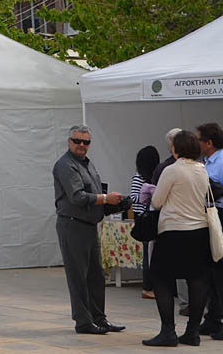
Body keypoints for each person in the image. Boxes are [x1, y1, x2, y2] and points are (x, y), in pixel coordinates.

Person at [53, 124, 129, 336]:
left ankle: (99, 318)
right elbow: (77, 197)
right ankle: (83, 322)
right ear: (69, 142)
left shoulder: (87, 164)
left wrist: (113, 204)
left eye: (86, 142)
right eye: (77, 141)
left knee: (96, 275)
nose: (81, 145)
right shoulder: (66, 165)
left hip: (89, 225)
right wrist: (105, 198)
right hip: (72, 225)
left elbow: (94, 193)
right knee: (78, 277)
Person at [144, 129, 213, 346]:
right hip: (200, 232)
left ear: (176, 148)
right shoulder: (202, 170)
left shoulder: (172, 171)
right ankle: (192, 332)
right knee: (197, 280)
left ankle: (168, 331)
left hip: (173, 231)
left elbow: (157, 202)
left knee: (162, 278)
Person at [197, 122, 223, 339]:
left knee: (220, 269)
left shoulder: (222, 160)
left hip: (220, 216)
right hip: (208, 215)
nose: (198, 144)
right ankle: (212, 317)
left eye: (200, 140)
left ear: (209, 142)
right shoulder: (205, 162)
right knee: (211, 271)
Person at [131, 144, 162, 300]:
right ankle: (147, 286)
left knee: (152, 251)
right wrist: (147, 194)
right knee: (147, 252)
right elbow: (134, 197)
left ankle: (153, 284)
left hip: (150, 215)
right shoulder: (139, 177)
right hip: (143, 217)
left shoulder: (154, 175)